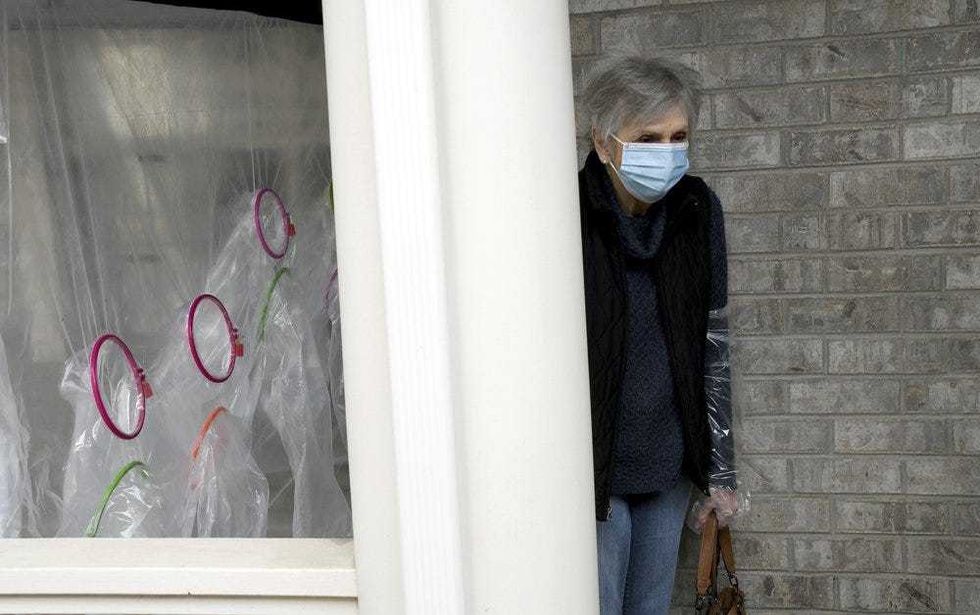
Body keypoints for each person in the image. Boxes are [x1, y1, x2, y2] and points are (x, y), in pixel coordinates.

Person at [578, 55, 740, 615]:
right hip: (592, 471)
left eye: (679, 137)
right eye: (648, 137)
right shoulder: (565, 214)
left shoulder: (698, 211)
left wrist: (721, 476)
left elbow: (713, 346)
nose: (667, 152)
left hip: (667, 466)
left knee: (649, 606)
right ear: (603, 143)